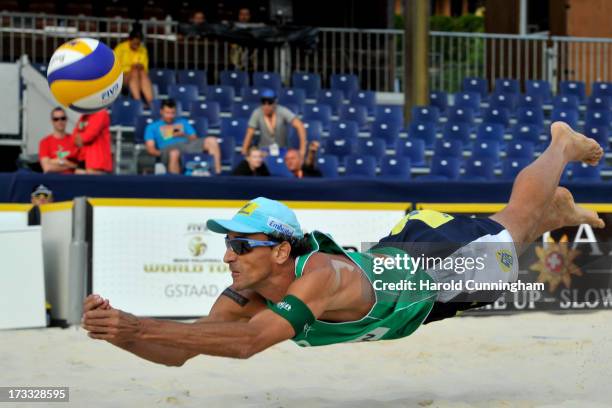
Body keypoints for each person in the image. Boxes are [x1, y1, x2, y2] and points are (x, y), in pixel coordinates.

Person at [82, 122, 604, 363]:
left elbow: (246, 344)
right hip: (403, 280)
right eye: (229, 246)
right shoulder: (247, 295)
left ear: (281, 250)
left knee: (513, 223)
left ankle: (558, 145)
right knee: (516, 237)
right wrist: (119, 334)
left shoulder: (321, 278)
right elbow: (183, 350)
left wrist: (138, 324)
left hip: (437, 269)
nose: (229, 256)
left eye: (242, 246)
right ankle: (555, 210)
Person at [144, 99, 221, 174]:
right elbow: (151, 148)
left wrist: (184, 135)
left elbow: (194, 139)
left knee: (212, 140)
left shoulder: (183, 122)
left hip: (186, 145)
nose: (170, 116)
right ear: (161, 112)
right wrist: (162, 154)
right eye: (167, 113)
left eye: (172, 113)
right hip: (168, 148)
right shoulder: (152, 127)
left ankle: (217, 173)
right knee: (174, 153)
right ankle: (176, 182)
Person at [241, 89, 307, 158]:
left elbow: (300, 126)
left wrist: (302, 150)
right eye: (263, 102)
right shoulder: (257, 112)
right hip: (264, 150)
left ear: (275, 102)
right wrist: (244, 151)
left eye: (269, 102)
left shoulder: (282, 111)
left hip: (282, 149)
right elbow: (250, 133)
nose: (266, 105)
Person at [114, 30, 154, 106]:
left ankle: (150, 102)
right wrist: (130, 69)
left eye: (138, 44)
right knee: (134, 71)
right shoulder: (120, 48)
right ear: (130, 40)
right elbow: (114, 67)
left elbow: (145, 68)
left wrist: (140, 66)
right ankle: (139, 101)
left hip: (138, 76)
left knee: (140, 72)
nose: (137, 46)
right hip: (122, 77)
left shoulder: (143, 50)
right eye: (135, 43)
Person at [39, 107, 79, 174]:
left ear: (66, 120)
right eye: (56, 119)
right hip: (53, 182)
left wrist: (54, 161)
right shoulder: (45, 142)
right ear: (52, 121)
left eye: (63, 118)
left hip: (72, 181)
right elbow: (47, 168)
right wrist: (68, 164)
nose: (60, 121)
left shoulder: (75, 140)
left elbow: (81, 166)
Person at [72, 109, 113, 174]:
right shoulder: (84, 116)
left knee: (93, 182)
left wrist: (80, 138)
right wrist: (79, 138)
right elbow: (74, 137)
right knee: (78, 180)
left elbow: (89, 135)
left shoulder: (101, 113)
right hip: (83, 158)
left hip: (97, 161)